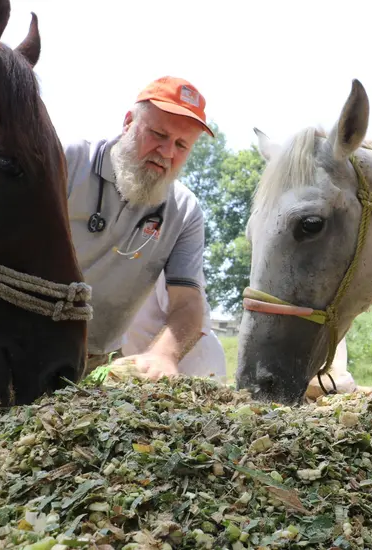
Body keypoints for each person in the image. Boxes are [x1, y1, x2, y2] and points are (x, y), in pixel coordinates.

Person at [64, 76, 215, 381]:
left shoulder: (184, 212)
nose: (167, 152)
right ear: (129, 122)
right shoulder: (67, 162)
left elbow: (187, 303)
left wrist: (164, 356)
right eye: (158, 134)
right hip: (18, 343)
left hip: (94, 362)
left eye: (181, 145)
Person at [122, 271, 227, 379]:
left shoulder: (157, 260)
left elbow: (188, 307)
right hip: (141, 368)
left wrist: (164, 355)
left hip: (193, 365)